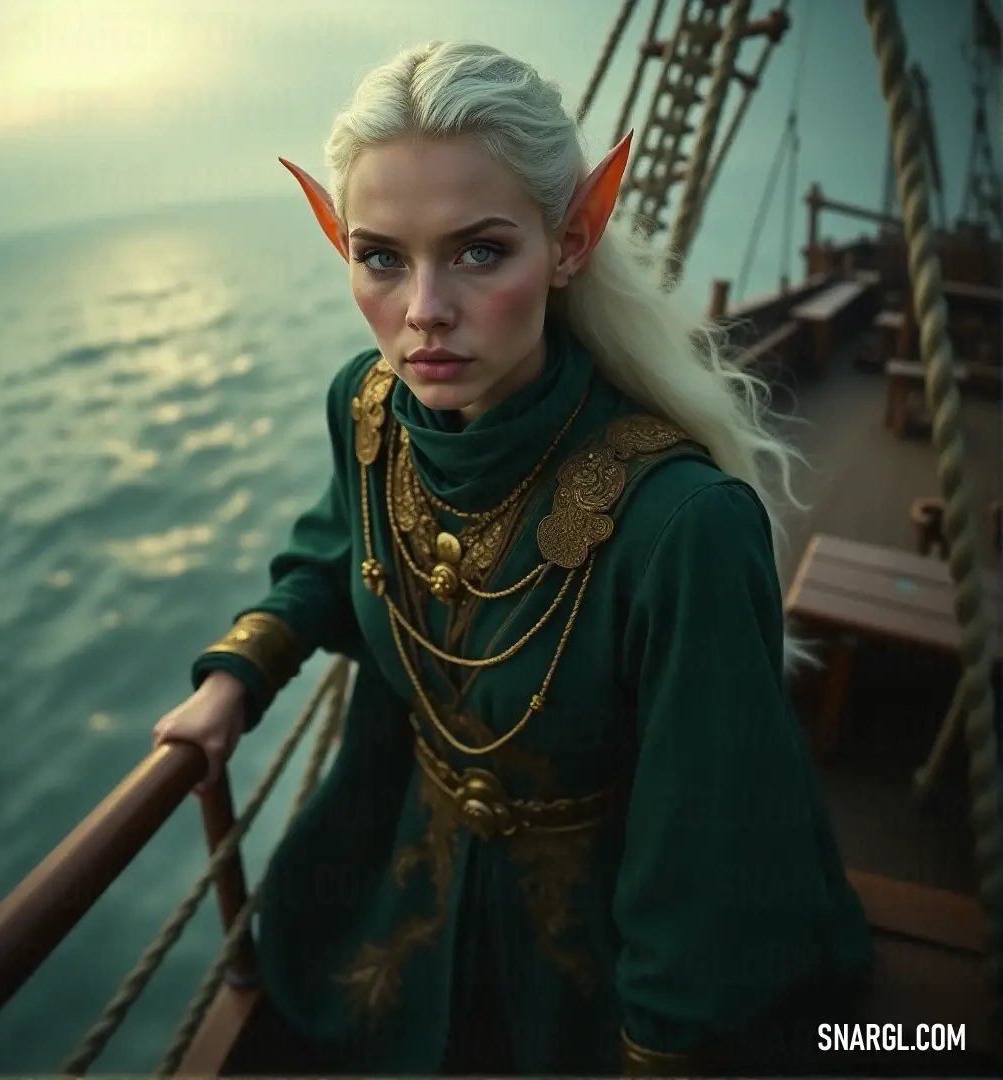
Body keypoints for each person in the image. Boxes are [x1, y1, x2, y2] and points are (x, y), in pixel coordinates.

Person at [153, 40, 871, 1076]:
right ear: (337, 240)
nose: (422, 312)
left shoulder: (683, 529)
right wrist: (237, 675)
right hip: (408, 863)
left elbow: (705, 865)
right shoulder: (367, 410)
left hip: (609, 940)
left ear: (573, 236)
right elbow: (330, 550)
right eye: (381, 256)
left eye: (480, 252)